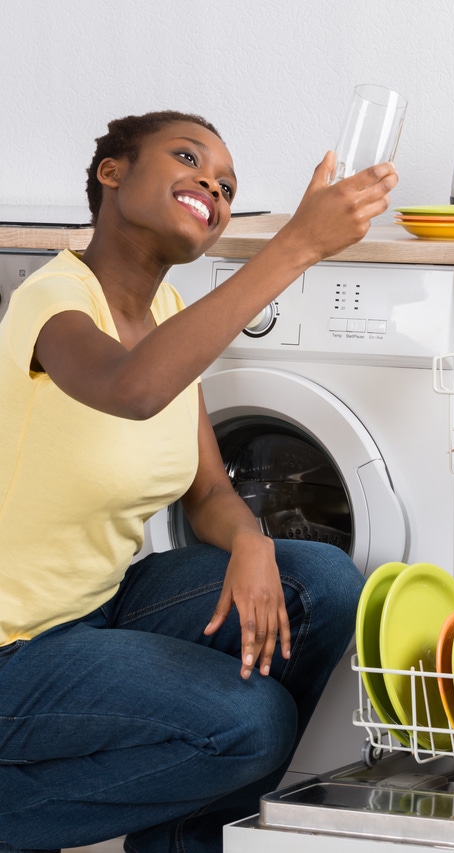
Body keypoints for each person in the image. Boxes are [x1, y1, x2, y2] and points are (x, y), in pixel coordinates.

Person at [0, 110, 398, 853]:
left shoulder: (170, 312)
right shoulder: (51, 299)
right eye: (188, 159)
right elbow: (132, 388)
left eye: (226, 185)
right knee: (250, 724)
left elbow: (209, 489)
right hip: (11, 651)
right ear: (111, 172)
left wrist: (251, 539)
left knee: (319, 578)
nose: (210, 186)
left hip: (95, 608)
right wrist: (298, 245)